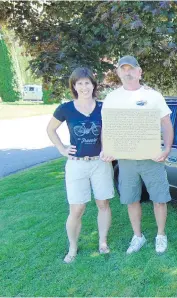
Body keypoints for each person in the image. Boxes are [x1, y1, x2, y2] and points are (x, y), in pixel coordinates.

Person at [101, 55, 174, 255]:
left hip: (152, 158)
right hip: (126, 161)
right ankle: (138, 236)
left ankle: (160, 235)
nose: (128, 72)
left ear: (139, 71)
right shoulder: (112, 98)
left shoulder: (153, 96)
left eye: (131, 69)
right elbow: (107, 127)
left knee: (159, 198)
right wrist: (106, 148)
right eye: (123, 69)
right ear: (118, 73)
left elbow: (166, 124)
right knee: (131, 199)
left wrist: (166, 148)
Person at [46, 67, 115, 263]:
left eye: (87, 83)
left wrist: (109, 148)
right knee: (77, 209)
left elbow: (110, 132)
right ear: (74, 86)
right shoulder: (65, 108)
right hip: (76, 165)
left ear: (94, 85)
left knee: (103, 203)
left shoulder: (103, 107)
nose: (84, 87)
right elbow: (50, 130)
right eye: (80, 83)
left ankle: (102, 242)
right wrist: (62, 148)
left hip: (100, 164)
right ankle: (73, 247)